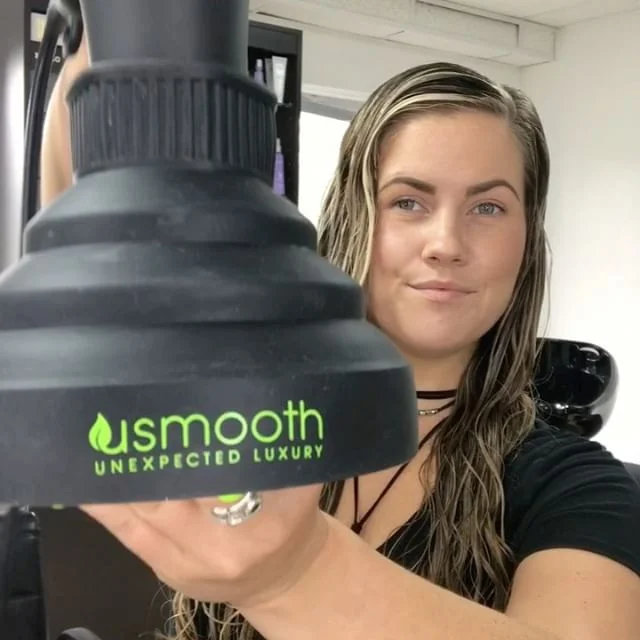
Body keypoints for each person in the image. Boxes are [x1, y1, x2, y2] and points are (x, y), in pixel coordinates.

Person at [40, 36, 640, 640]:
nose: (447, 244)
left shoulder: (575, 486)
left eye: (488, 208)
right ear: (356, 215)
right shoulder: (260, 410)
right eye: (409, 201)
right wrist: (99, 48)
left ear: (526, 239)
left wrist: (295, 572)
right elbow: (89, 255)